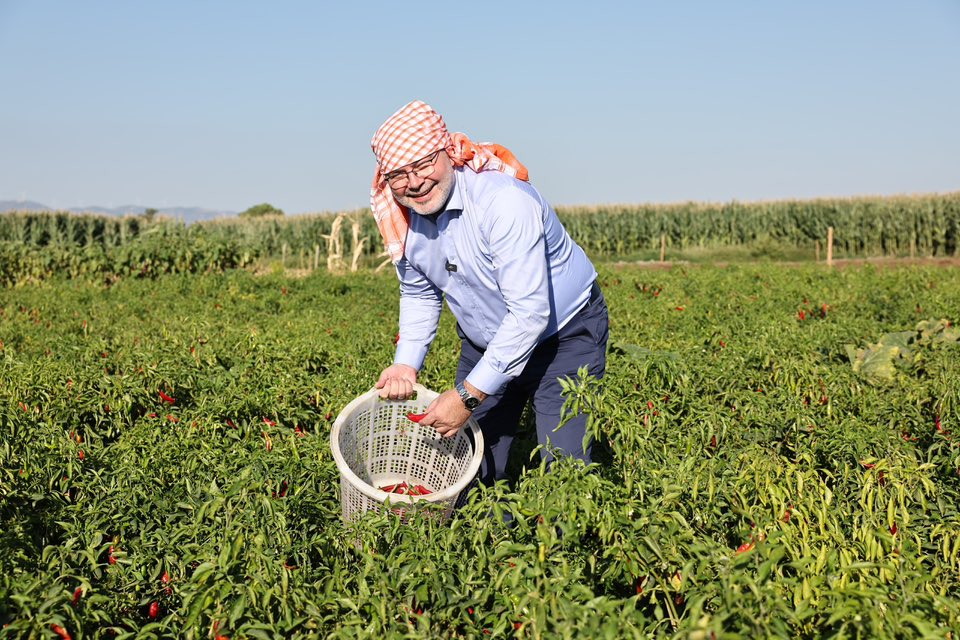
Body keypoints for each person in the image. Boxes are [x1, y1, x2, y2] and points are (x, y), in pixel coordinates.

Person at [369, 100, 608, 486]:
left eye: (423, 164)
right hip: (486, 341)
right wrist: (406, 364)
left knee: (565, 470)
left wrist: (466, 396)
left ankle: (563, 545)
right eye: (398, 175)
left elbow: (530, 316)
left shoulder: (503, 202)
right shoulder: (405, 221)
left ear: (448, 152)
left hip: (563, 337)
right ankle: (489, 539)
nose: (414, 183)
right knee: (465, 466)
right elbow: (419, 293)